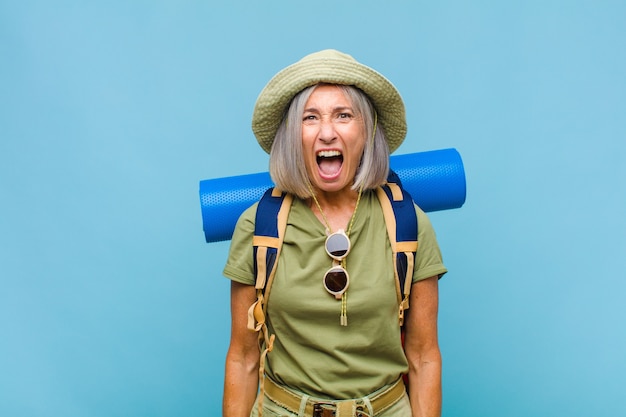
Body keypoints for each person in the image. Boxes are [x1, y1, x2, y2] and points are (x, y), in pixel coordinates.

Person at [222, 49, 447, 417]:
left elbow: (423, 357)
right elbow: (243, 358)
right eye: (310, 118)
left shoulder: (409, 223)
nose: (327, 132)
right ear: (294, 136)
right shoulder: (258, 225)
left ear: (367, 131)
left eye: (344, 115)